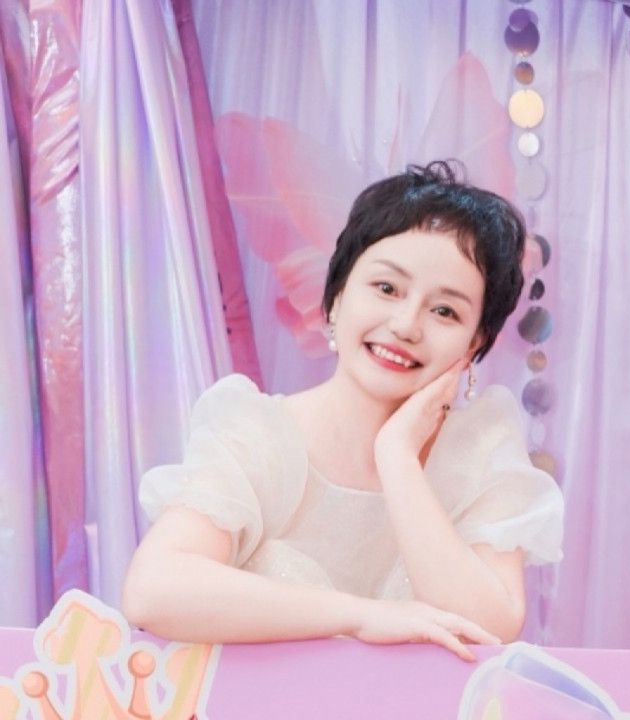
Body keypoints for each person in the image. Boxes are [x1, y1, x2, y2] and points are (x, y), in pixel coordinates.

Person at [122, 160, 563, 662]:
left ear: (475, 343)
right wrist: (360, 617)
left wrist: (397, 456)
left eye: (445, 311)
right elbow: (154, 589)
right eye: (387, 289)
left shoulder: (478, 453)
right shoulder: (260, 435)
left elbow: (487, 628)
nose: (406, 325)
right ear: (335, 298)